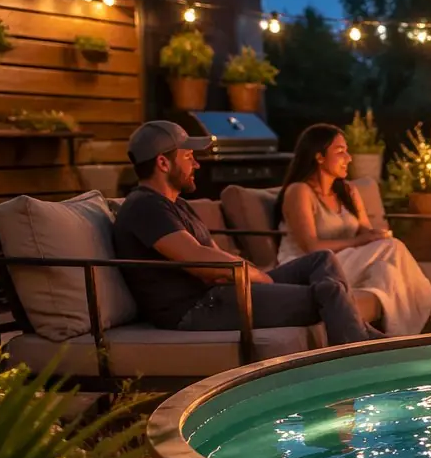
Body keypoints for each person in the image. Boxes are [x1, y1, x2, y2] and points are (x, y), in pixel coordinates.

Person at [112, 120, 372, 344]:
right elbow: (200, 261)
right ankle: (359, 360)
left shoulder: (175, 204)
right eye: (189, 157)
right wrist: (256, 276)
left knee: (322, 259)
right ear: (163, 163)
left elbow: (212, 254)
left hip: (219, 293)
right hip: (199, 307)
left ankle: (361, 340)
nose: (197, 165)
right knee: (327, 293)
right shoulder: (145, 207)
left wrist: (242, 273)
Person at [275, 123, 431, 336]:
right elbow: (311, 246)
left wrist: (375, 236)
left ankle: (396, 340)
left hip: (349, 262)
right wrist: (363, 241)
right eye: (340, 151)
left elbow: (366, 234)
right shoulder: (300, 191)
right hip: (312, 267)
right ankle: (428, 306)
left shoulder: (348, 191)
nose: (349, 158)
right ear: (319, 156)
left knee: (387, 272)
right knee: (393, 247)